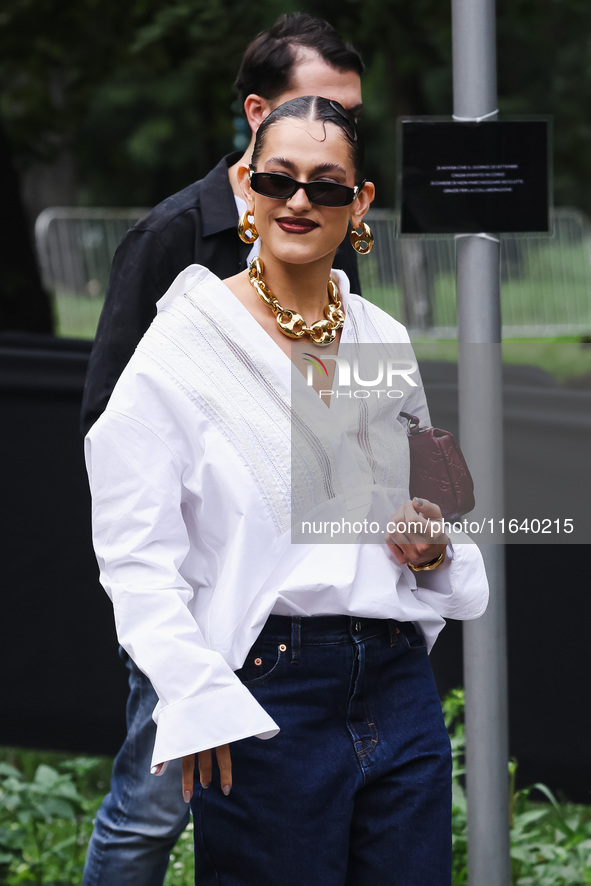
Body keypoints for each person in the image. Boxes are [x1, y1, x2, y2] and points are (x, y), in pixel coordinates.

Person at [85, 95, 488, 886]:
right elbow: (134, 553)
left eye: (328, 185)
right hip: (266, 686)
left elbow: (428, 507)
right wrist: (198, 695)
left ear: (360, 203)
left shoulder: (382, 337)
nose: (300, 201)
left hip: (397, 683)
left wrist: (430, 543)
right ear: (248, 184)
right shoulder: (188, 342)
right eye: (279, 179)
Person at [81, 15, 365, 886]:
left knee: (289, 807)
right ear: (254, 113)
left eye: (348, 114)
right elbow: (112, 428)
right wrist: (168, 605)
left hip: (304, 613)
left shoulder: (337, 234)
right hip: (201, 597)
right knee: (155, 802)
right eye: (310, 106)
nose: (331, 127)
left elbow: (354, 414)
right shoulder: (172, 236)